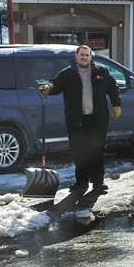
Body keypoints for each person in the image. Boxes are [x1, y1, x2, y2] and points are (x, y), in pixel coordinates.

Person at [40, 45, 121, 194]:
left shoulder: (101, 72)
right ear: (76, 56)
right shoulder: (68, 74)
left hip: (97, 120)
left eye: (87, 55)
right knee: (79, 152)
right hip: (76, 121)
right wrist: (48, 87)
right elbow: (55, 84)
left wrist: (117, 104)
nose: (84, 57)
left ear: (91, 57)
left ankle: (98, 183)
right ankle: (81, 183)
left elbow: (113, 87)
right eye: (81, 55)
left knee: (97, 152)